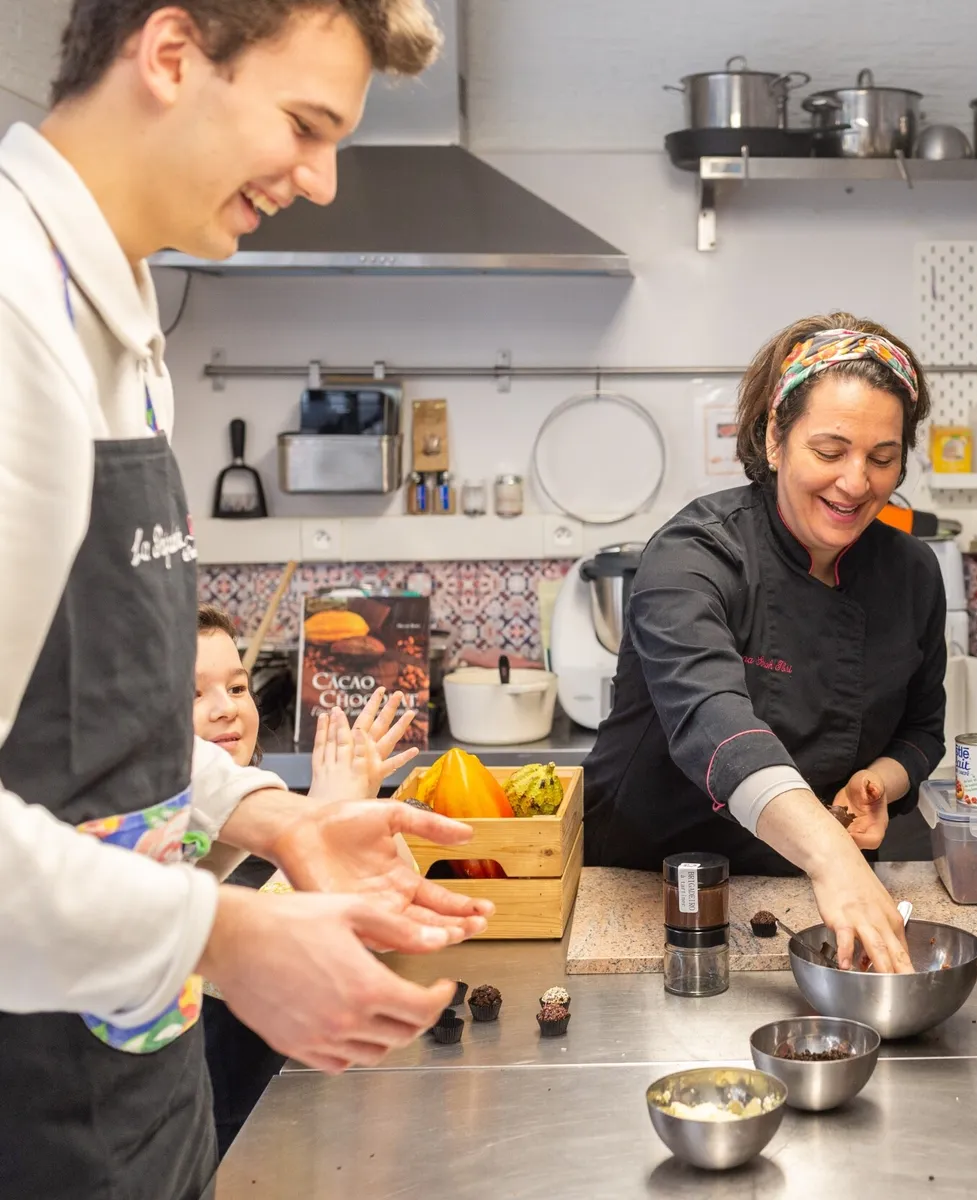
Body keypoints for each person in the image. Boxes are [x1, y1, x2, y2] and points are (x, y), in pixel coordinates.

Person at [0, 3, 493, 1195]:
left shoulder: (115, 316)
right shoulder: (13, 321)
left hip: (132, 1087)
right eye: (305, 125)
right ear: (172, 56)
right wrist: (223, 933)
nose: (323, 182)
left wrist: (274, 820)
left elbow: (90, 732)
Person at [583, 313, 946, 973]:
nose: (856, 482)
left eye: (882, 458)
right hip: (652, 891)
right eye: (830, 452)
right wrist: (832, 855)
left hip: (806, 896)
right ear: (775, 438)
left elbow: (922, 731)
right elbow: (715, 724)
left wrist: (878, 781)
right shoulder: (694, 555)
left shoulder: (911, 572)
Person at [193, 605, 420, 1155]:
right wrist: (326, 813)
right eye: (191, 695)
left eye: (237, 688)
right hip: (224, 1132)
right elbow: (230, 969)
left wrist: (355, 806)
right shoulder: (147, 840)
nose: (226, 708)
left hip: (293, 1107)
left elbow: (390, 916)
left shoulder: (271, 806)